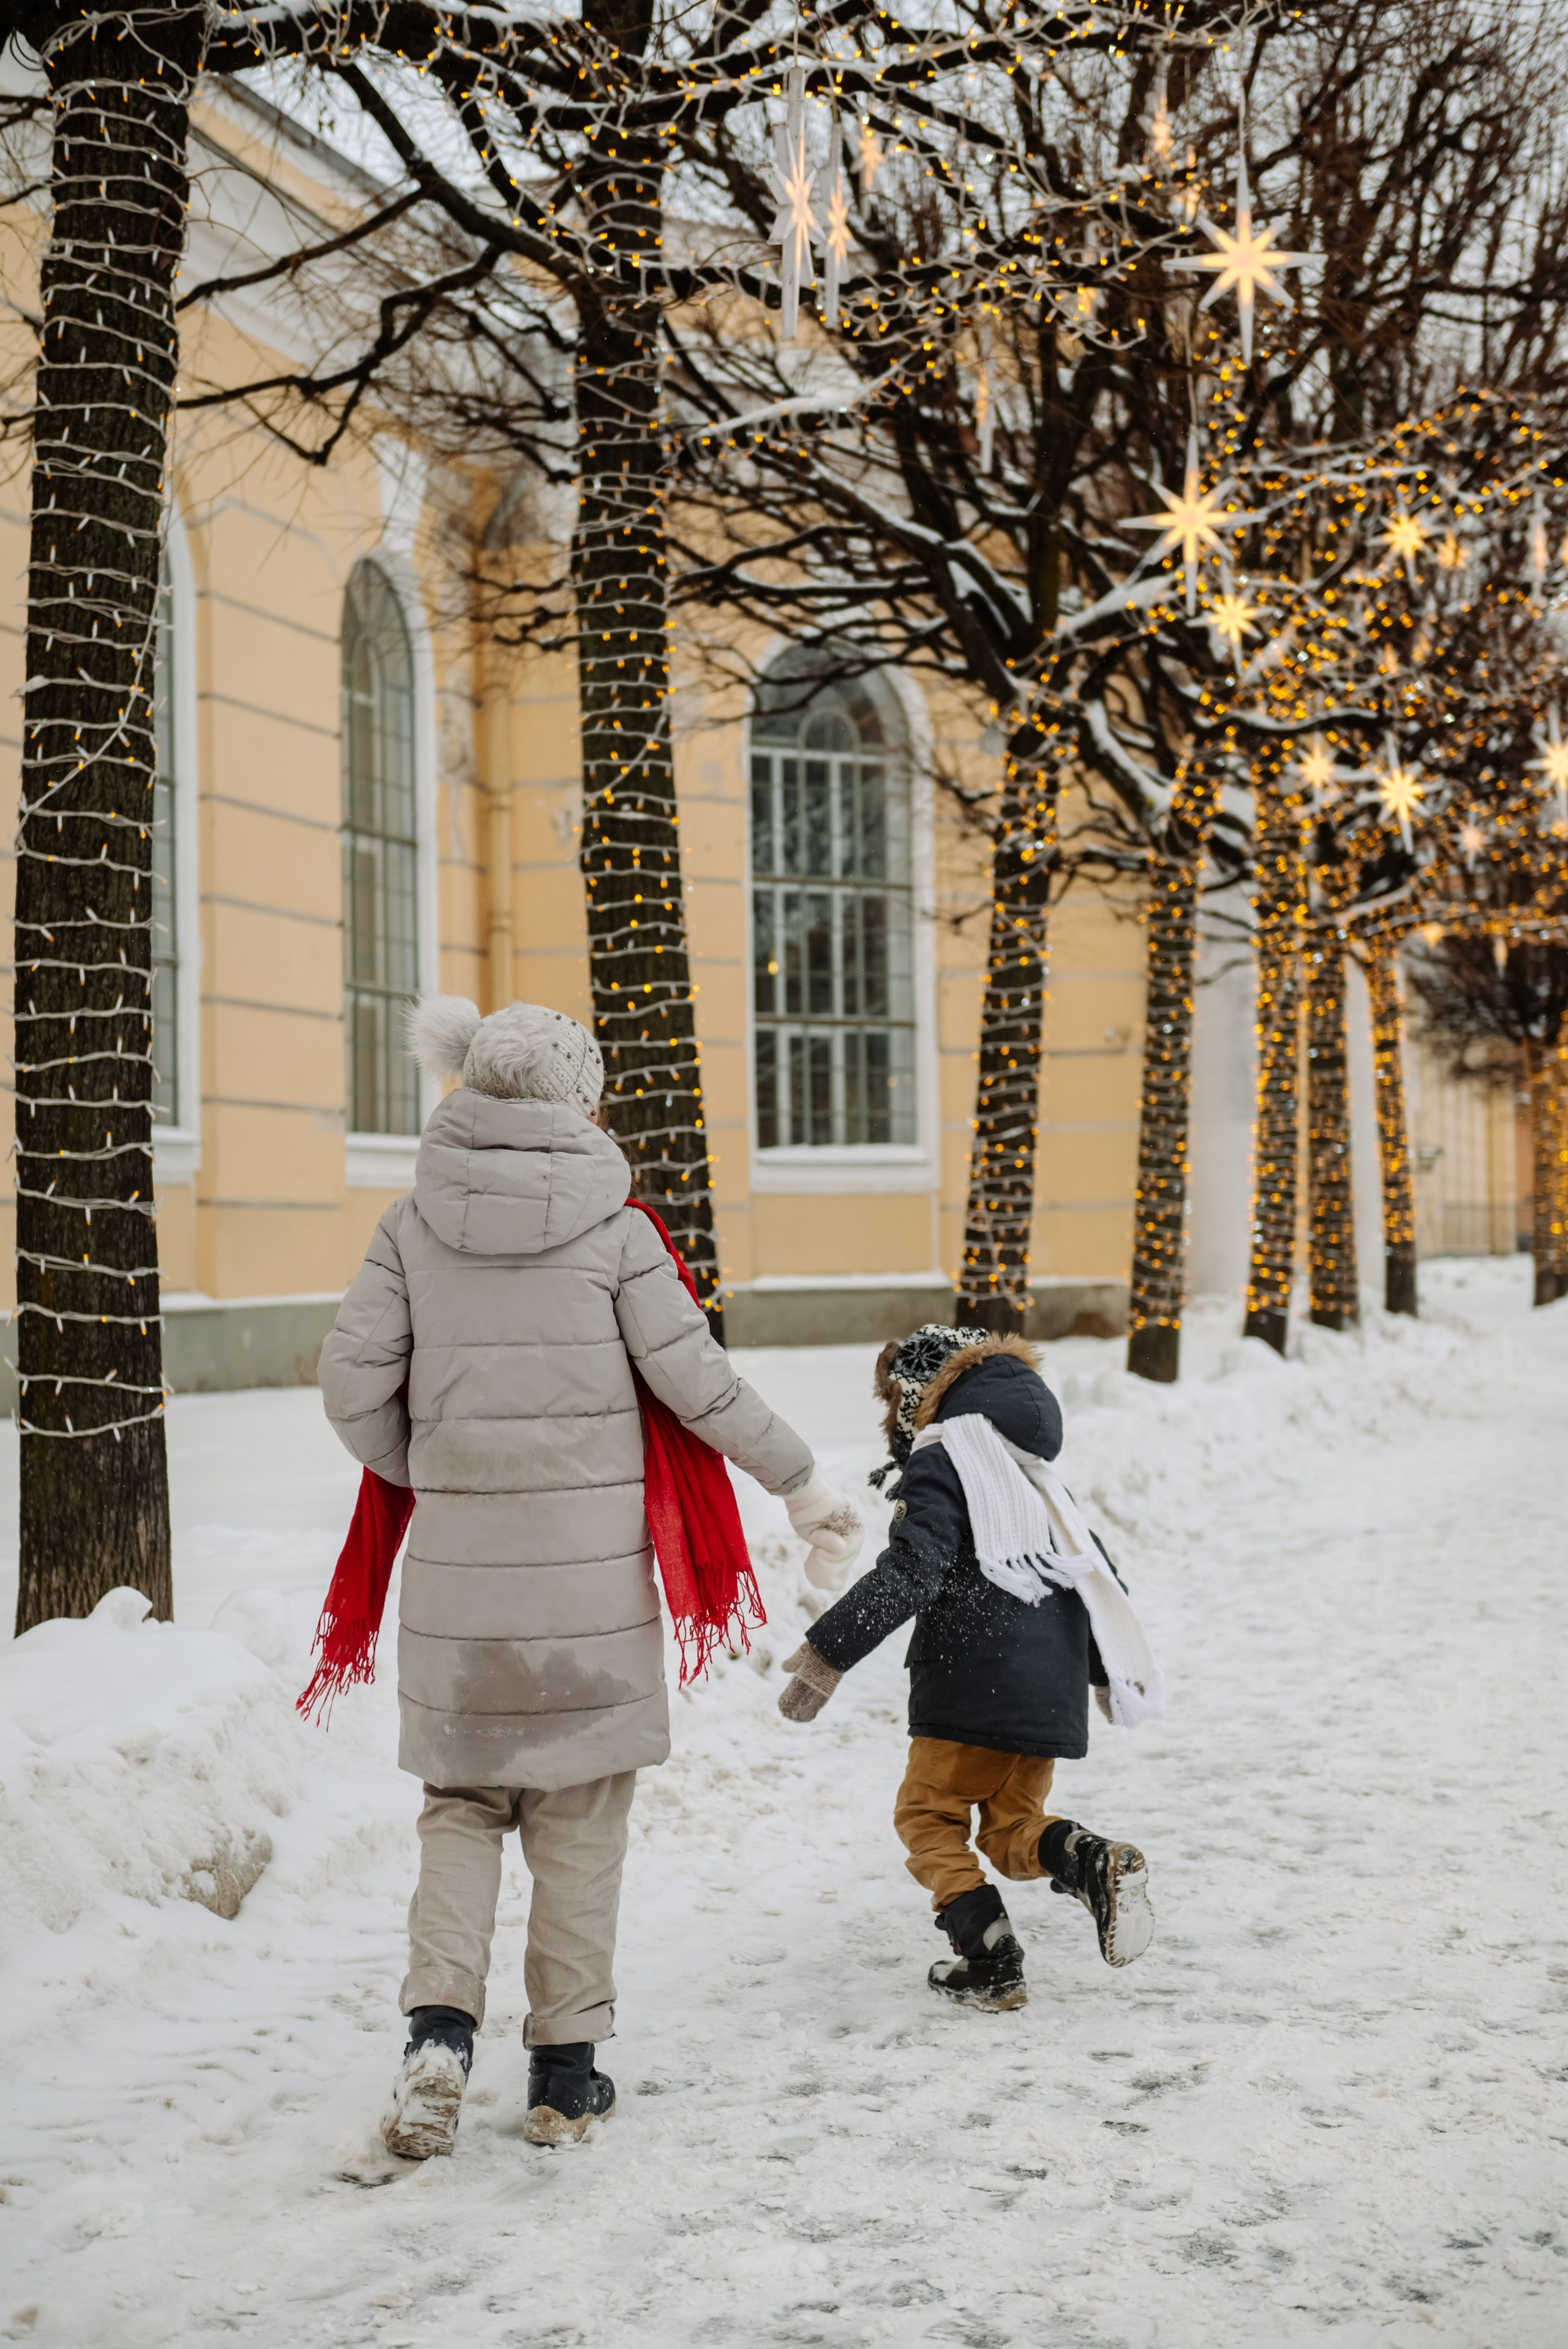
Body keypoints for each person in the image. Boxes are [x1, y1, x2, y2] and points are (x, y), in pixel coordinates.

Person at [318, 997, 862, 2157]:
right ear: (579, 1101)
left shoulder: (411, 1227)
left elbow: (350, 1385)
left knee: (461, 1811)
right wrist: (804, 1485)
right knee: (579, 1819)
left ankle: (438, 2040)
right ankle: (565, 2077)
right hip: (590, 1606)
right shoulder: (618, 1234)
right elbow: (701, 1387)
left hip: (460, 1597)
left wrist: (422, 1465)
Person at [776, 1324, 1159, 2012]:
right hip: (1051, 1690)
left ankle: (990, 1961)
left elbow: (913, 1568)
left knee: (926, 1817)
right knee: (1014, 1830)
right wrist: (1103, 1673)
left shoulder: (944, 1458)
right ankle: (1089, 1859)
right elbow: (1096, 1574)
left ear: (920, 1398)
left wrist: (830, 1651)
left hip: (972, 1677)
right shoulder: (1036, 1475)